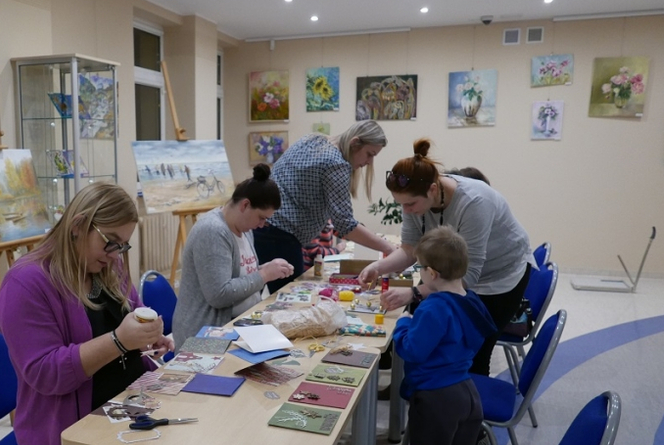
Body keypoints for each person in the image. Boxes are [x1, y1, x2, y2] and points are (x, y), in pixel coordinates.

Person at [0, 183, 206, 445]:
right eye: (110, 242)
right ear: (78, 225)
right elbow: (45, 374)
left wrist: (148, 335)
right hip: (66, 424)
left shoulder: (109, 265)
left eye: (123, 245)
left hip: (120, 401)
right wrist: (121, 340)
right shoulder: (26, 283)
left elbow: (131, 318)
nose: (116, 254)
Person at [358, 138, 533, 378]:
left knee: (473, 350)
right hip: (453, 274)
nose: (406, 210)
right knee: (433, 335)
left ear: (432, 189)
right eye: (402, 204)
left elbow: (467, 277)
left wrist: (414, 292)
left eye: (410, 204)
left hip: (500, 276)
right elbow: (410, 249)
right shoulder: (413, 198)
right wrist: (379, 266)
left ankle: (470, 408)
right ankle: (425, 391)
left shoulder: (475, 202)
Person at [253, 120, 397, 293]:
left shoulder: (312, 139)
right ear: (354, 143)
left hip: (263, 228)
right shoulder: (337, 164)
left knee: (263, 294)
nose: (369, 162)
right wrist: (388, 248)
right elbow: (345, 225)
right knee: (291, 300)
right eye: (369, 154)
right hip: (281, 236)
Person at [391, 226, 497, 445]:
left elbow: (412, 350)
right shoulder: (471, 301)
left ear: (431, 273)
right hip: (467, 393)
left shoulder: (434, 307)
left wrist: (403, 324)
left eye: (419, 267)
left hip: (435, 398)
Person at [172, 164, 294, 348]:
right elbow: (219, 294)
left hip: (238, 327)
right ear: (245, 205)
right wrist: (265, 274)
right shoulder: (213, 231)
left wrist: (269, 269)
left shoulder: (245, 229)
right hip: (204, 338)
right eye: (261, 217)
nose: (262, 224)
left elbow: (240, 277)